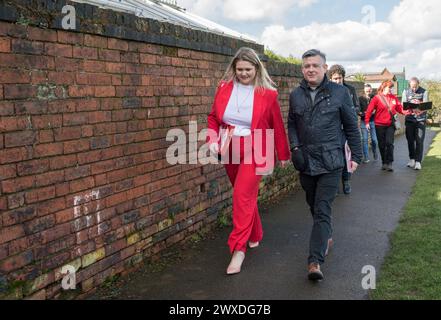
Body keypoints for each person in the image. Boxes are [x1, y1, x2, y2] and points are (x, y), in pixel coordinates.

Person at [206, 47, 291, 275]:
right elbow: (213, 117)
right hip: (229, 146)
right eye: (240, 69)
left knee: (242, 195)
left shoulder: (268, 93)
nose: (244, 73)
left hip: (258, 147)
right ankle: (254, 234)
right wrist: (212, 138)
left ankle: (238, 249)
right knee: (244, 195)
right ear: (234, 68)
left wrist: (283, 154)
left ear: (257, 68)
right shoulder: (224, 88)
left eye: (248, 69)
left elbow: (276, 124)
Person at [288, 49, 362, 281]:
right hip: (306, 162)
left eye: (315, 65)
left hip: (331, 162)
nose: (310, 69)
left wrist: (356, 156)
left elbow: (351, 126)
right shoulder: (295, 95)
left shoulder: (340, 93)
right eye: (306, 65)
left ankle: (315, 262)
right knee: (313, 205)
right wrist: (295, 148)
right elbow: (291, 123)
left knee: (322, 209)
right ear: (303, 69)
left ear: (324, 68)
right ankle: (326, 235)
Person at [328, 64, 360, 194]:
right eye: (335, 78)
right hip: (333, 130)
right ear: (330, 79)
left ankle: (346, 181)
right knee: (335, 158)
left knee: (347, 157)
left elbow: (357, 107)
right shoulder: (327, 90)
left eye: (339, 78)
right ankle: (335, 186)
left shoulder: (350, 90)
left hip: (347, 130)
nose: (338, 81)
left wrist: (349, 111)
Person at [365, 80, 405, 172]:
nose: (391, 89)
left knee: (389, 143)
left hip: (390, 125)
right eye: (389, 87)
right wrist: (367, 122)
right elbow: (369, 111)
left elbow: (400, 109)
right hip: (379, 125)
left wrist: (409, 111)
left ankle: (390, 163)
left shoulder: (393, 98)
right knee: (382, 145)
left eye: (392, 87)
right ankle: (384, 162)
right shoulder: (376, 98)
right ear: (384, 87)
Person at [402, 77, 429, 170]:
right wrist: (410, 108)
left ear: (418, 84)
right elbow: (403, 105)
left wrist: (419, 110)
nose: (413, 89)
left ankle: (418, 161)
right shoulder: (405, 91)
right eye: (412, 87)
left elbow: (426, 105)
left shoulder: (424, 91)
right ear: (410, 85)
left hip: (420, 120)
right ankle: (412, 159)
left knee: (419, 141)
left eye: (415, 87)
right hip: (409, 119)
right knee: (410, 140)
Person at [358, 84, 378, 162]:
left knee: (374, 140)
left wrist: (375, 111)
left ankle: (374, 151)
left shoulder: (374, 97)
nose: (368, 92)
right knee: (365, 140)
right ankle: (366, 157)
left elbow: (378, 108)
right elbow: (358, 111)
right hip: (363, 122)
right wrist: (366, 113)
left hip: (373, 121)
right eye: (366, 91)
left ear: (371, 90)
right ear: (364, 90)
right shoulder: (360, 99)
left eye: (369, 90)